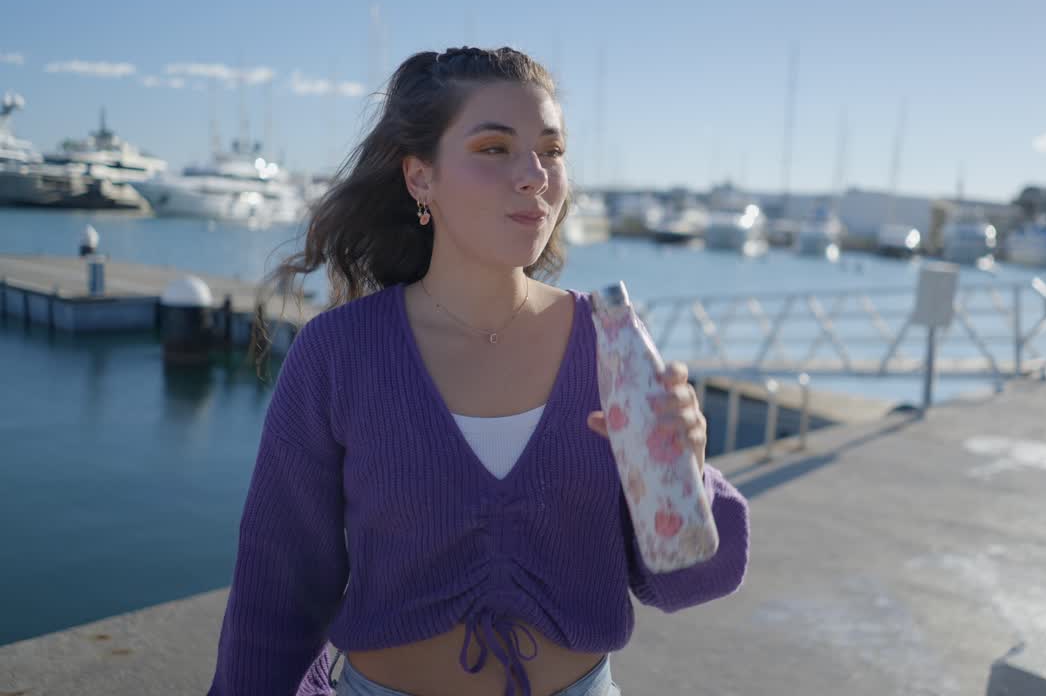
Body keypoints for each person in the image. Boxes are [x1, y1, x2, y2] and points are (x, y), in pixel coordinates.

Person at [207, 47, 750, 696]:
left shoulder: (610, 345)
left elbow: (689, 580)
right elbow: (280, 590)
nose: (534, 175)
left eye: (551, 150)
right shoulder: (338, 353)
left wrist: (688, 469)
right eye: (494, 149)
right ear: (420, 179)